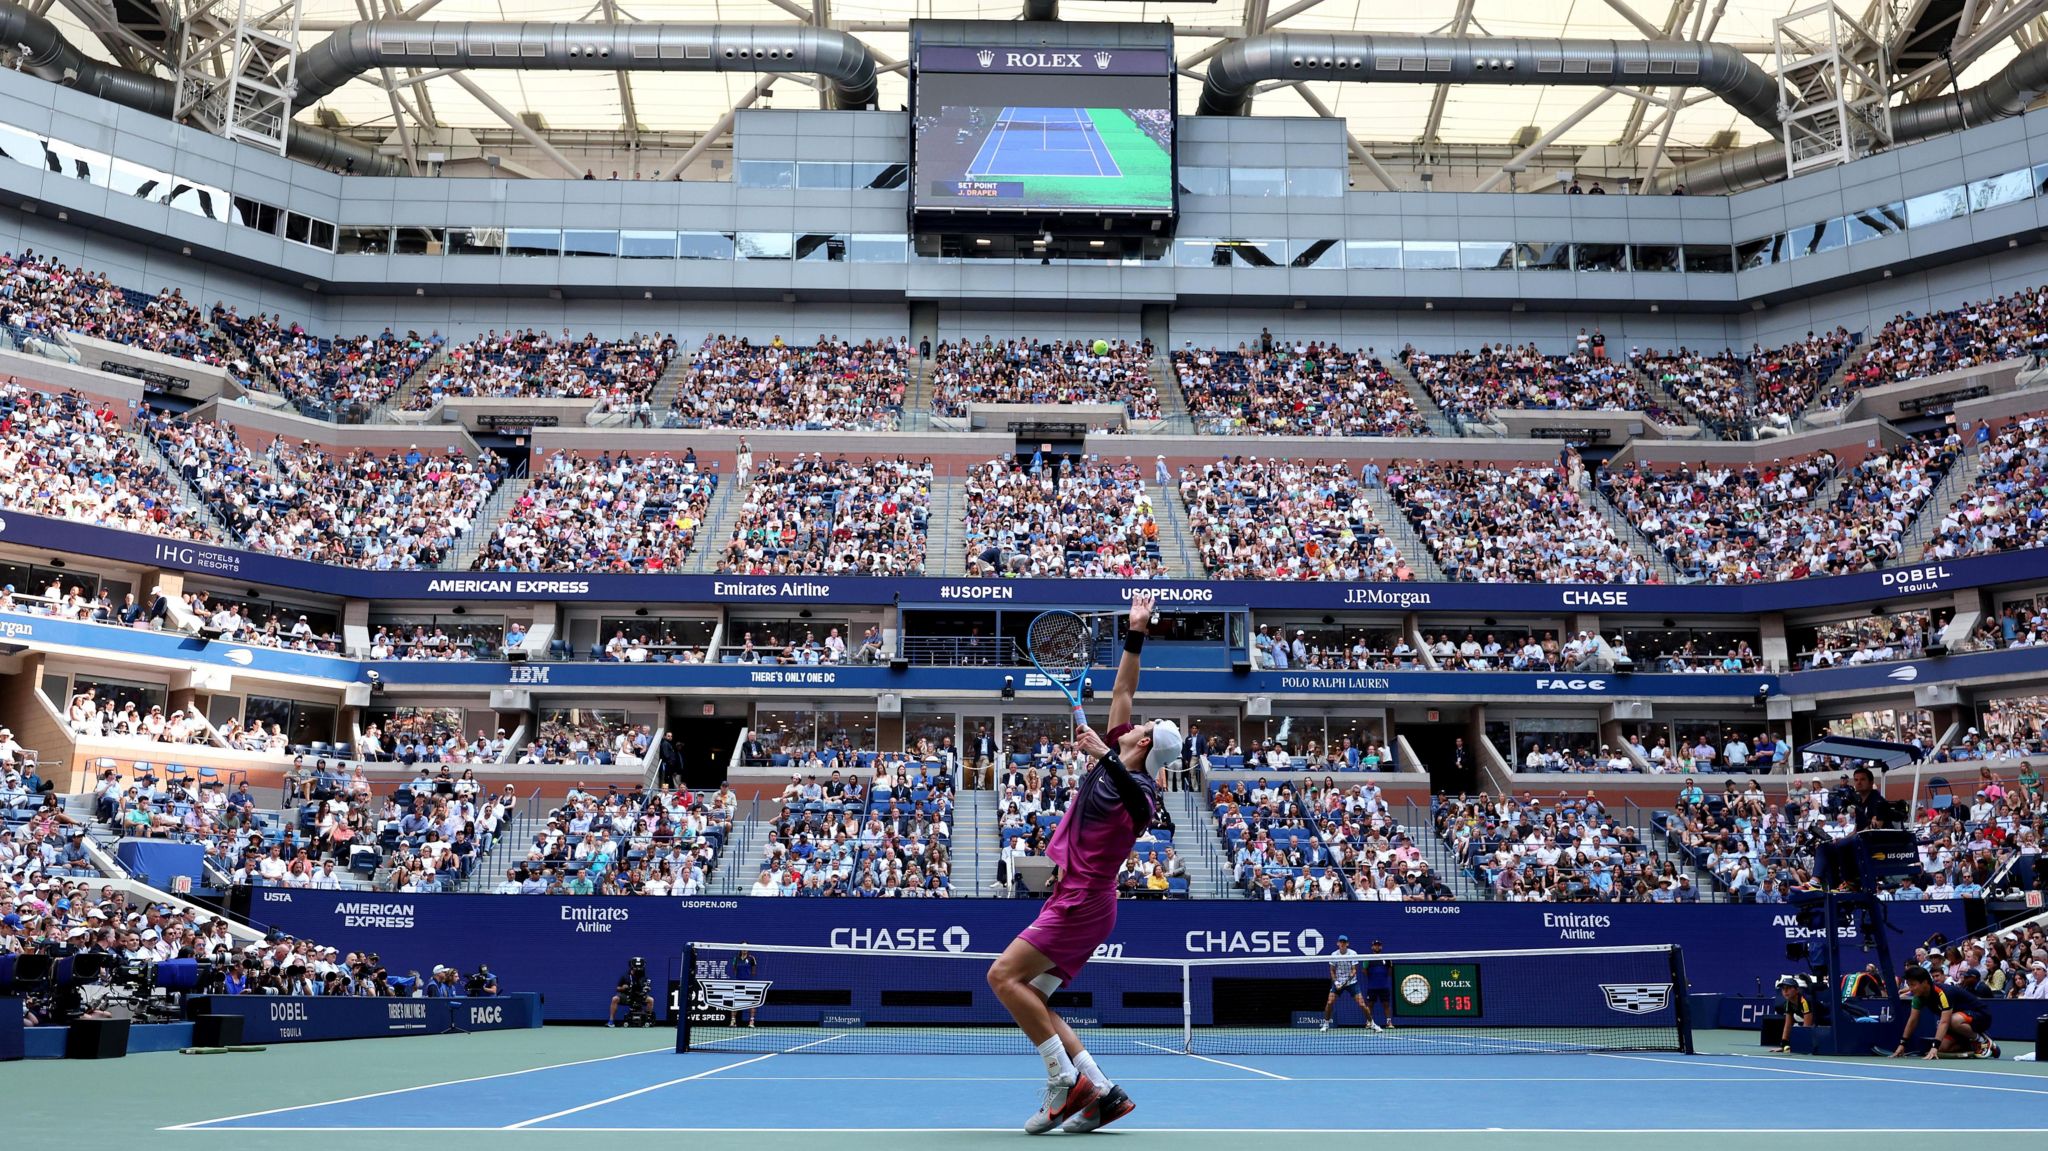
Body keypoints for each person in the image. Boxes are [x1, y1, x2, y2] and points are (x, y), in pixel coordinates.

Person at [986, 594, 1176, 1135]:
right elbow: (1123, 688)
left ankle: (1064, 1083)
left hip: (1084, 901)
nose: (1139, 720)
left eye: (1145, 725)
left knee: (1002, 976)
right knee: (1036, 996)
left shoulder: (1143, 791)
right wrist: (1136, 631)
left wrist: (1102, 756)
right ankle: (1103, 1091)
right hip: (1076, 899)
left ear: (1145, 743)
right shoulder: (1122, 745)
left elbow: (1127, 788)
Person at [1892, 964, 2000, 1060]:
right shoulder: (1918, 997)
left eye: (1913, 984)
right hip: (1958, 1022)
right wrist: (1902, 1044)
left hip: (1981, 1016)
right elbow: (1912, 1020)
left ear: (1924, 982)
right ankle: (1974, 1044)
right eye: (1909, 985)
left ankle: (1982, 1040)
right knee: (1943, 1048)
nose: (1911, 989)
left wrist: (1934, 1047)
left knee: (1952, 1021)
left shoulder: (1942, 993)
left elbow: (1944, 1022)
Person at [1319, 935, 1373, 1033]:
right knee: (1330, 1002)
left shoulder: (1353, 953)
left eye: (1344, 942)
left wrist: (1345, 982)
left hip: (1352, 983)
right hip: (1338, 982)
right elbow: (1332, 971)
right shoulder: (1334, 955)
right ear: (1338, 943)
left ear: (1347, 944)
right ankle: (1326, 1024)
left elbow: (1354, 970)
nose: (1342, 944)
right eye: (1341, 942)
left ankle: (1372, 1023)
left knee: (1362, 1004)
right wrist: (1336, 982)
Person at [1771, 977, 1822, 1052]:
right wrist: (1783, 1045)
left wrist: (1800, 1045)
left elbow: (1807, 1026)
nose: (1785, 991)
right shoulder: (1788, 1003)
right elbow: (1788, 1025)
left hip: (1827, 1019)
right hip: (1816, 1022)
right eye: (1783, 988)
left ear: (1797, 990)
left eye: (1788, 988)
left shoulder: (1804, 1001)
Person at [607, 958, 656, 1028]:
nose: (637, 970)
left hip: (639, 996)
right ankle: (611, 1021)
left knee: (651, 1000)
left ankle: (648, 1020)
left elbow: (647, 987)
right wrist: (622, 988)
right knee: (615, 999)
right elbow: (617, 988)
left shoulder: (643, 977)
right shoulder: (625, 976)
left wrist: (647, 988)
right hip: (627, 996)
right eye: (635, 968)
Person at [1362, 938, 1395, 1030]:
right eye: (1375, 945)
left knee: (1386, 1005)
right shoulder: (1368, 958)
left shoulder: (1386, 958)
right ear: (1372, 947)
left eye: (1378, 945)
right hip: (1372, 986)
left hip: (1384, 986)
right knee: (1370, 1005)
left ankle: (1389, 1022)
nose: (1377, 947)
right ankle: (1369, 1022)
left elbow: (1389, 972)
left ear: (1381, 947)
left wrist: (1388, 968)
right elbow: (1364, 971)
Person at [728, 944, 760, 1028]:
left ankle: (751, 1021)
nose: (744, 949)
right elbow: (734, 969)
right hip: (738, 983)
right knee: (735, 1002)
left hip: (749, 983)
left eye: (746, 948)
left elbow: (753, 971)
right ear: (740, 949)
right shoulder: (736, 958)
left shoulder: (751, 958)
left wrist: (747, 978)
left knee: (752, 1003)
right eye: (742, 948)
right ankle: (733, 1021)